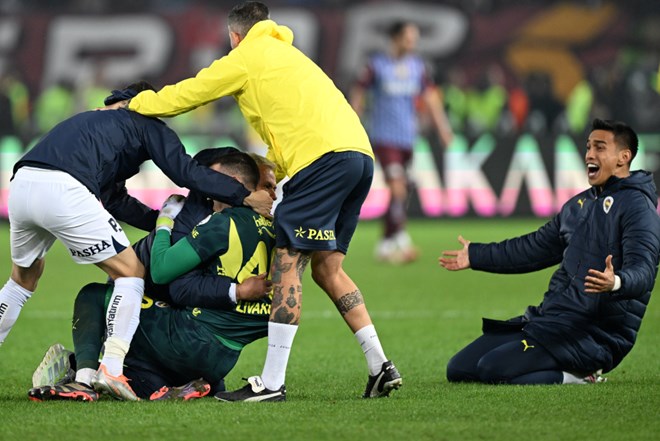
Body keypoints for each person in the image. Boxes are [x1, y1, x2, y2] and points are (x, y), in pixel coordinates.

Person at [104, 1, 401, 401]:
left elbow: (190, 94)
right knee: (328, 269)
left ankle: (273, 383)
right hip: (359, 158)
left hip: (321, 162)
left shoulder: (247, 56)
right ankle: (379, 364)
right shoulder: (291, 57)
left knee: (287, 263)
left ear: (234, 36)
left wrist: (135, 104)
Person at [1, 81, 273, 401]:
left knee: (21, 281)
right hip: (65, 188)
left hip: (21, 184)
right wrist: (243, 196)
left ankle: (89, 371)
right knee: (130, 272)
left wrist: (166, 225)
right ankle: (112, 369)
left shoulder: (90, 122)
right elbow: (186, 171)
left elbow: (114, 199)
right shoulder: (145, 122)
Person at [28, 151, 276, 401]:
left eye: (272, 188)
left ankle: (81, 377)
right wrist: (237, 294)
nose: (270, 196)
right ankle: (188, 384)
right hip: (219, 356)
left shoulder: (218, 222)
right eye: (266, 187)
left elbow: (170, 278)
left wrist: (164, 221)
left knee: (92, 296)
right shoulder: (275, 231)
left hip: (184, 334)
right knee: (145, 374)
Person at [439, 119, 660, 385]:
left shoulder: (639, 208)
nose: (590, 154)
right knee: (460, 369)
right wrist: (476, 255)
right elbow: (533, 248)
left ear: (624, 157)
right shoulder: (580, 205)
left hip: (593, 334)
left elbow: (645, 270)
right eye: (589, 147)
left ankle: (580, 376)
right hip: (550, 322)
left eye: (600, 148)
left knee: (492, 369)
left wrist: (616, 282)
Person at [350, 20, 453, 264]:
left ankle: (385, 244)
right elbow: (358, 92)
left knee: (401, 191)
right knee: (397, 186)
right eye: (409, 38)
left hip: (408, 137)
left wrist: (443, 129)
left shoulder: (417, 67)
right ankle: (402, 240)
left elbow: (431, 99)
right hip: (384, 137)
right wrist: (354, 122)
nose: (413, 43)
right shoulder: (377, 65)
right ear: (395, 39)